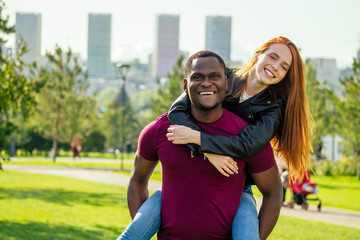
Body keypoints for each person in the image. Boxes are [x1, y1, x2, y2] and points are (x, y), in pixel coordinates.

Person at [118, 36, 313, 239]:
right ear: (257, 56)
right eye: (272, 57)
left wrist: (200, 139)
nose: (275, 67)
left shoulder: (273, 109)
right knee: (132, 233)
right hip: (189, 178)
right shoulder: (224, 78)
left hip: (237, 185)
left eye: (283, 67)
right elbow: (177, 109)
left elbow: (246, 144)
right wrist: (207, 152)